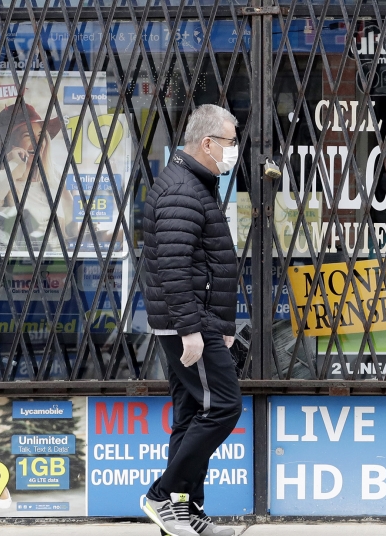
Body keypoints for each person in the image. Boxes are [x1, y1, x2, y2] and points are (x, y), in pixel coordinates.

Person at [140, 104, 240, 536]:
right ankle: (163, 495)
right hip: (187, 323)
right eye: (231, 142)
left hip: (197, 321)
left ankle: (185, 511)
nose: (234, 151)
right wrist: (193, 331)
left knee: (191, 414)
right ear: (207, 143)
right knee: (223, 406)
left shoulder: (195, 183)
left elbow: (205, 262)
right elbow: (175, 267)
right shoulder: (182, 189)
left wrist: (220, 325)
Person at [0, 102, 77, 251]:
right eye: (28, 135)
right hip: (21, 260)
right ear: (12, 144)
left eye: (41, 135)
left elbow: (73, 230)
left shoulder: (55, 176)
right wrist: (13, 164)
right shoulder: (2, 179)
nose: (38, 141)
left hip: (58, 258)